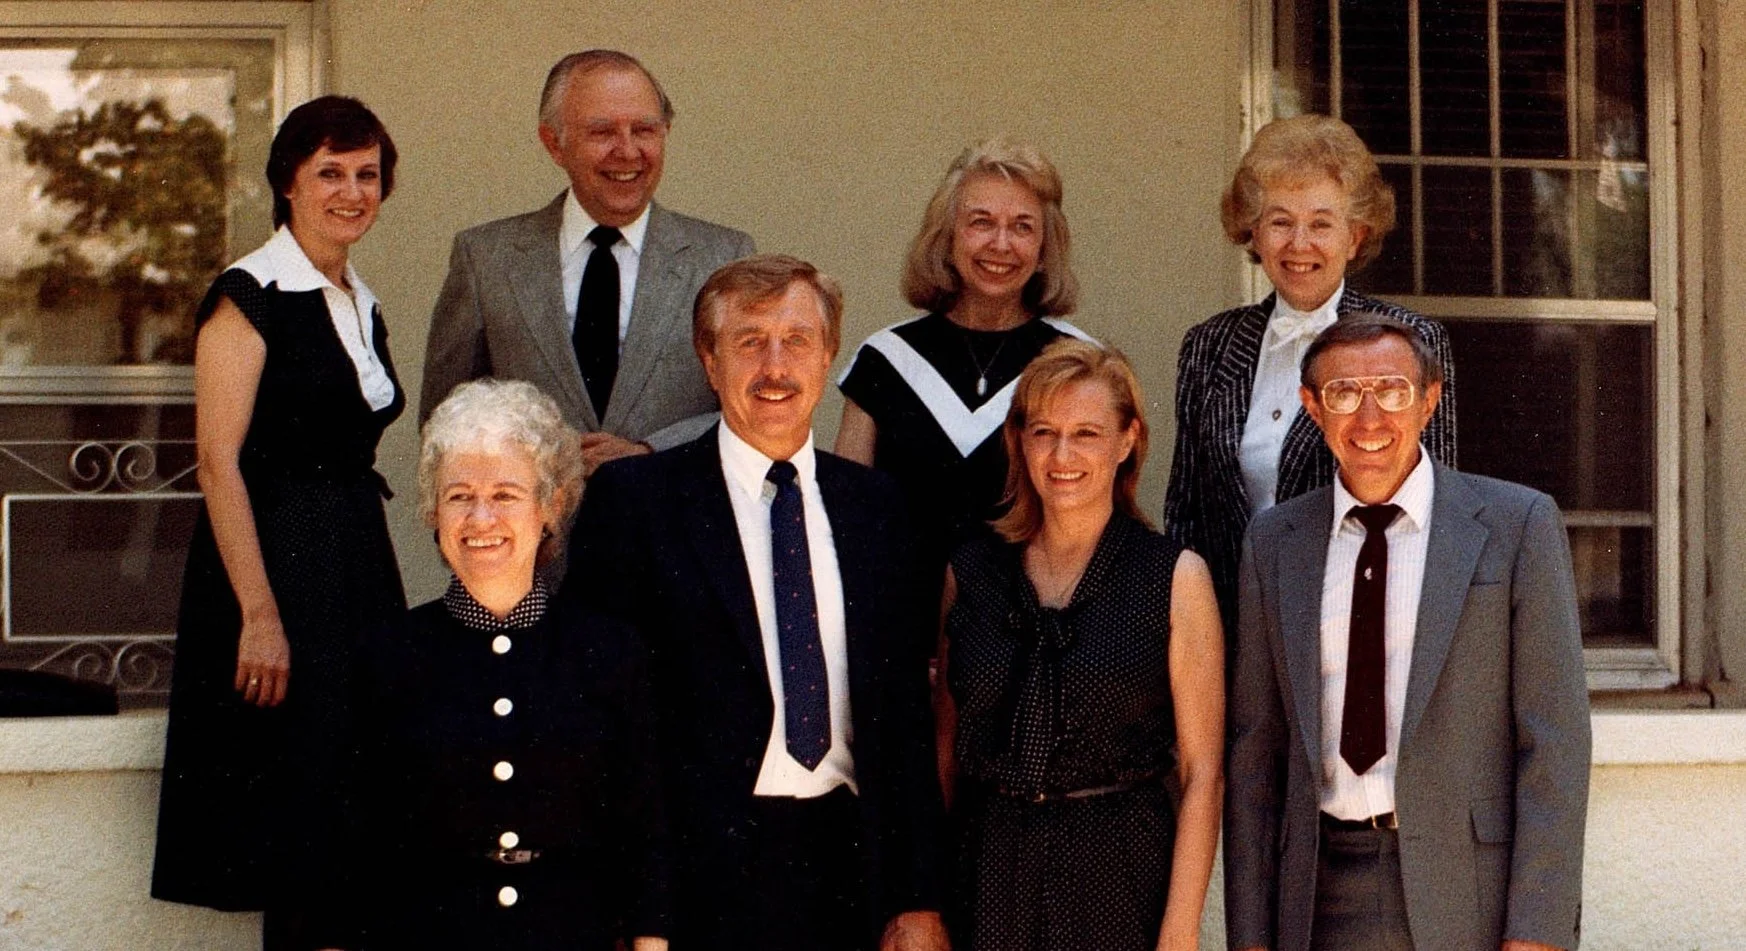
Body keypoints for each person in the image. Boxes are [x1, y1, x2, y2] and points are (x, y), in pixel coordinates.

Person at [568, 255, 948, 951]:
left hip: (848, 870)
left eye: (796, 340)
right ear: (709, 361)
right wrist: (635, 912)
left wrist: (918, 898)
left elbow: (904, 722)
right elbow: (601, 727)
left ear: (828, 354)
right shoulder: (636, 504)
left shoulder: (877, 511)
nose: (775, 366)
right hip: (694, 882)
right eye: (749, 341)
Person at [1224, 315, 1590, 951]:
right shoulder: (1274, 543)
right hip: (1315, 890)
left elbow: (1554, 743)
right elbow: (1257, 750)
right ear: (1312, 407)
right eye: (1343, 394)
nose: (1369, 418)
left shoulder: (1516, 524)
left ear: (1429, 400)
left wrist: (1538, 932)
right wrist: (1251, 934)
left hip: (1467, 889)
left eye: (1392, 390)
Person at [152, 96, 408, 950]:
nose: (351, 191)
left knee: (351, 821)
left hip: (353, 567)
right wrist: (259, 613)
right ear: (287, 185)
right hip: (279, 575)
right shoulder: (248, 295)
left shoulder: (356, 298)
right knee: (300, 825)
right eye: (329, 172)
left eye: (367, 174)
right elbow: (218, 460)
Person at [324, 379, 668, 951]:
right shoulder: (384, 656)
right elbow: (342, 839)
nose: (481, 517)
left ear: (551, 506)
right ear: (434, 512)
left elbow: (644, 831)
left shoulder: (609, 653)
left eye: (506, 494)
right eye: (459, 496)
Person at [936, 339, 1223, 951]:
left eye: (1087, 434)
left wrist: (1180, 931)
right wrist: (925, 901)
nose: (1062, 455)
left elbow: (1202, 773)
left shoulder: (1173, 577)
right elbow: (946, 749)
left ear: (1126, 442)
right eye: (1044, 432)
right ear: (1021, 442)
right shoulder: (972, 571)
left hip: (1118, 866)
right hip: (985, 863)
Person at [1163, 114, 1457, 631]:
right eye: (1280, 221)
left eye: (1321, 223)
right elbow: (1185, 515)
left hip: (1358, 632)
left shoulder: (1408, 342)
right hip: (1231, 634)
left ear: (1355, 235)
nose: (1299, 243)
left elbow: (1441, 509)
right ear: (1253, 231)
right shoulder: (1208, 345)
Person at [421, 49, 755, 478]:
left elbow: (754, 408)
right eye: (602, 132)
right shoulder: (486, 258)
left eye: (645, 130)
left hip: (673, 531)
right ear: (553, 143)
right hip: (538, 537)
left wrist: (652, 452)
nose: (628, 150)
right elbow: (445, 418)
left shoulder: (725, 258)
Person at [836, 140, 1093, 588]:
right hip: (902, 627)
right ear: (947, 236)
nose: (1001, 244)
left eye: (1023, 227)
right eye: (981, 223)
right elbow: (845, 517)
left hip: (1035, 630)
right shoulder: (885, 362)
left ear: (1043, 247)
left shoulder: (1076, 364)